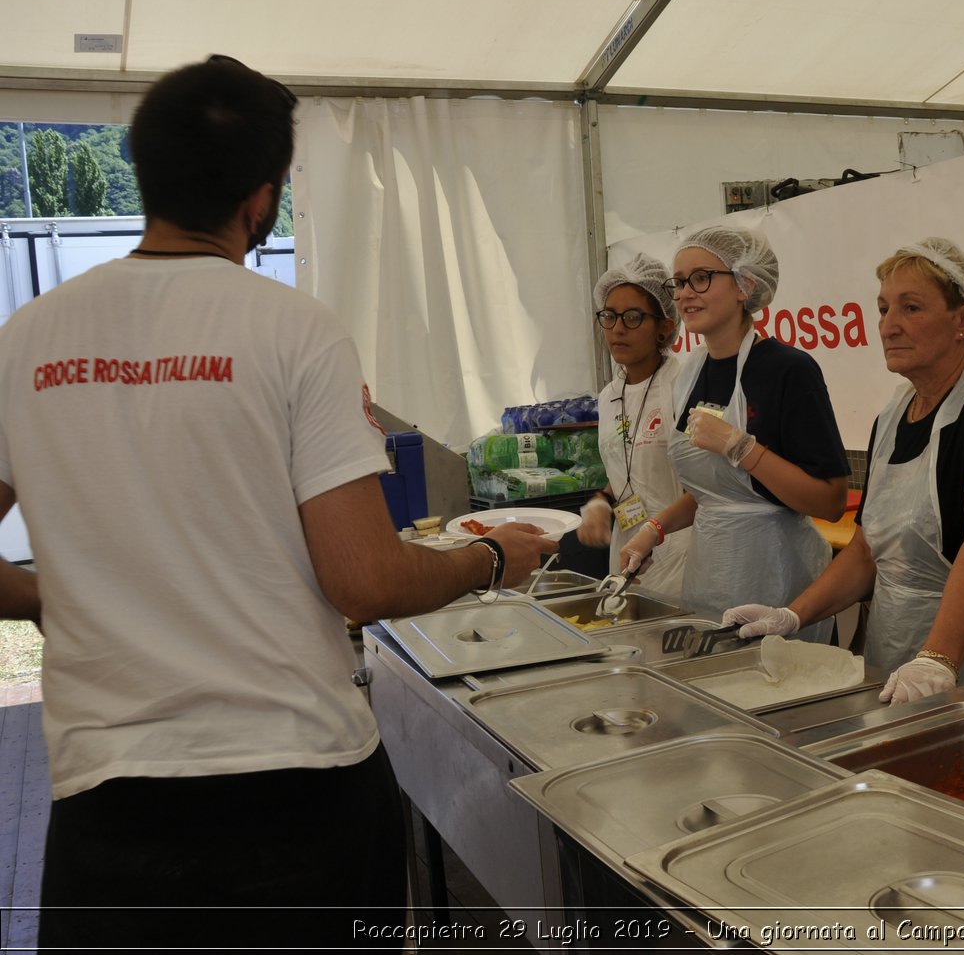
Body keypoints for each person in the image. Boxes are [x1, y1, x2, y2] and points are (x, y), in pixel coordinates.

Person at [0, 56, 553, 948]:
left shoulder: (25, 339)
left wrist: (49, 596)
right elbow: (362, 580)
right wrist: (491, 558)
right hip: (292, 796)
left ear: (145, 172)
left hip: (108, 800)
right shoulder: (292, 329)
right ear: (263, 198)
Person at [723, 239, 964, 703]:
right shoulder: (894, 415)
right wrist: (790, 617)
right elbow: (865, 553)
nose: (888, 326)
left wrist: (938, 660)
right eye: (882, 309)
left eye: (910, 308)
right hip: (893, 653)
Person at [620, 226, 848, 642]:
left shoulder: (789, 371)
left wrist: (742, 448)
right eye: (679, 282)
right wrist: (654, 529)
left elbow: (830, 501)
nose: (685, 293)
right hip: (709, 582)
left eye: (701, 278)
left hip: (778, 587)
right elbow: (716, 491)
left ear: (745, 285)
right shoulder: (691, 374)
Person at [577, 255, 693, 596]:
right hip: (628, 549)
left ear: (664, 327)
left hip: (682, 550)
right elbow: (629, 468)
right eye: (609, 316)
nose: (617, 329)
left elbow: (704, 484)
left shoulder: (683, 385)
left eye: (633, 317)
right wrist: (600, 502)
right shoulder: (609, 396)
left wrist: (655, 530)